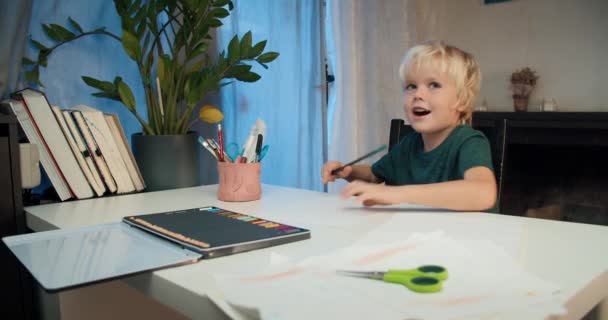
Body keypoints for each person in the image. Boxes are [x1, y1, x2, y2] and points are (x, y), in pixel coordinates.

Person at [321, 41, 497, 211]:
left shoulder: (469, 142)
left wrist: (396, 194)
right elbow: (374, 176)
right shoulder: (409, 144)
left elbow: (483, 193)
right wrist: (348, 172)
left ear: (462, 101)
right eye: (411, 86)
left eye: (434, 85)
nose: (418, 94)